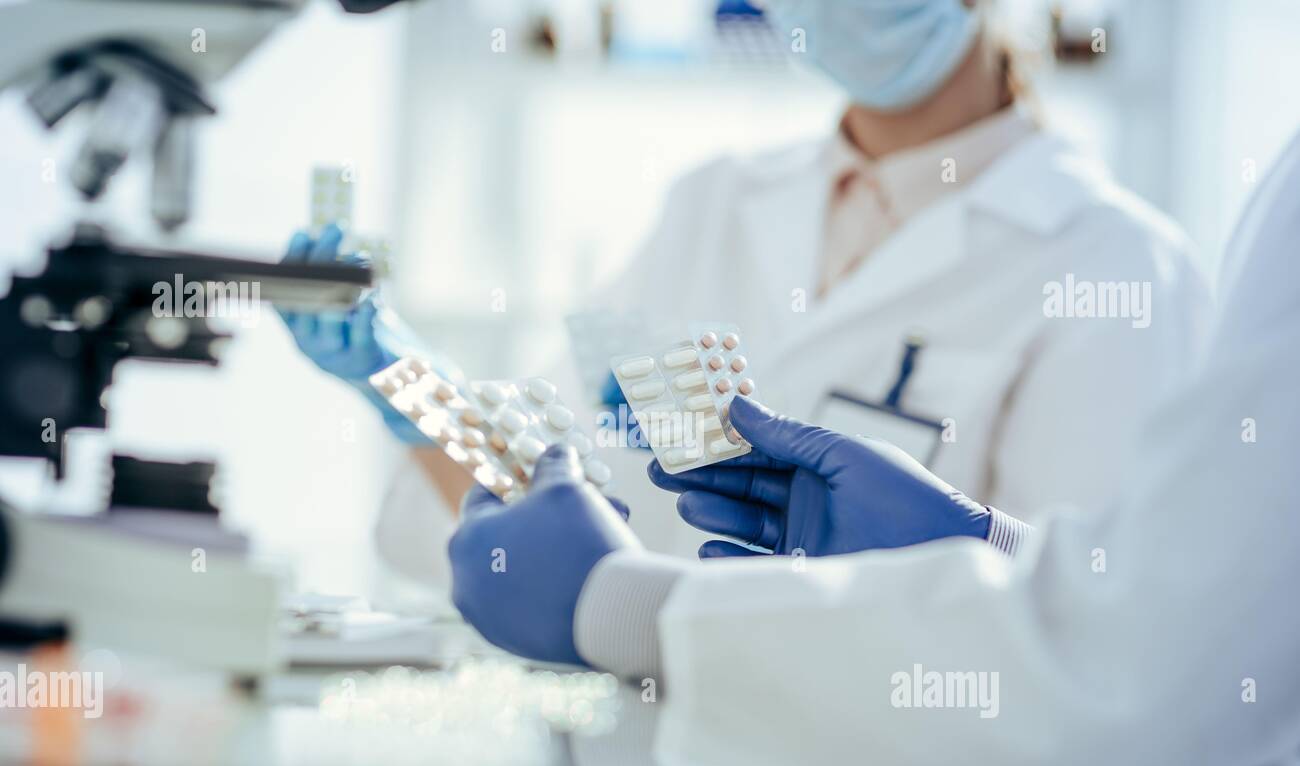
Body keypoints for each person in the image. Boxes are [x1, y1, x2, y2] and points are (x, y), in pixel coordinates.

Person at [447, 128, 1300, 766]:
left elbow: (1147, 674)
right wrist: (990, 547)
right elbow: (1199, 604)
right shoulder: (715, 194)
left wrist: (627, 609)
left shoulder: (1118, 253)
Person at [281, 0, 1211, 581]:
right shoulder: (714, 201)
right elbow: (529, 499)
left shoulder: (1117, 266)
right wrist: (410, 389)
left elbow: (1097, 644)